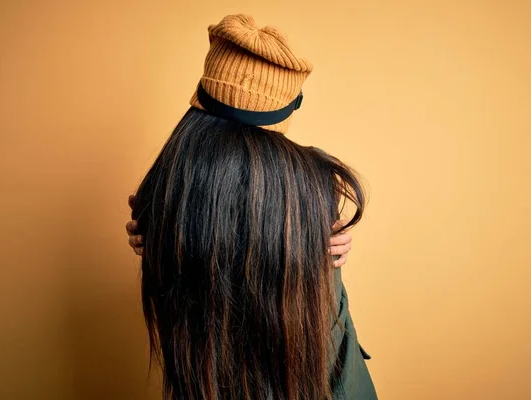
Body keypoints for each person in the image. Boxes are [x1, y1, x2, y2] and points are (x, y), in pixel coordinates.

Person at [125, 14, 377, 399]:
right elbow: (330, 345)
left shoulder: (169, 182)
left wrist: (159, 229)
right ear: (288, 106)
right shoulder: (312, 185)